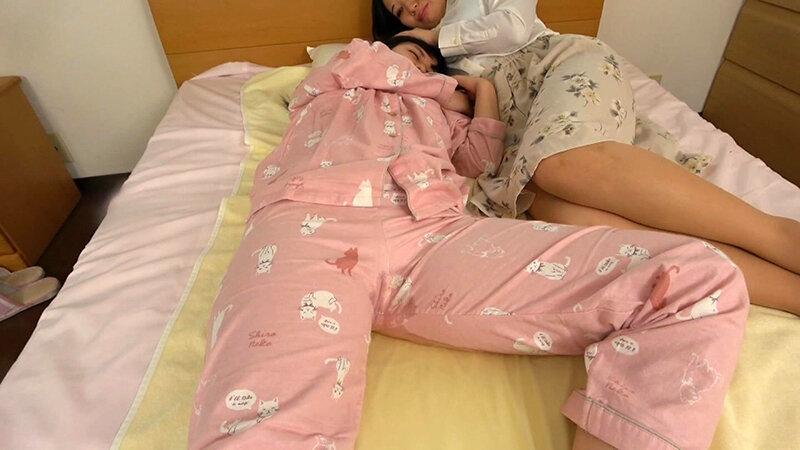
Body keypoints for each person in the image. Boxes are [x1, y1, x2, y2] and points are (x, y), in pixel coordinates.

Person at [188, 38, 749, 450]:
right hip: (308, 223)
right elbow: (357, 61)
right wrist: (441, 82)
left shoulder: (439, 111)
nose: (417, 64)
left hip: (431, 234)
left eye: (426, 61)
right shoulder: (337, 80)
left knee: (696, 277)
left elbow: (479, 159)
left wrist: (482, 95)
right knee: (262, 428)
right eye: (408, 54)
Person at [372, 0, 800, 317]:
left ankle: (780, 236)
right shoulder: (433, 65)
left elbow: (514, 27)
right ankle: (787, 293)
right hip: (521, 133)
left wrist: (434, 37)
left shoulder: (470, 11)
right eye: (399, 12)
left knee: (557, 165)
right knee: (565, 216)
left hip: (556, 66)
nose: (409, 8)